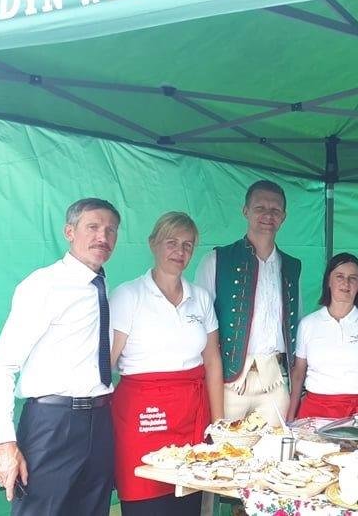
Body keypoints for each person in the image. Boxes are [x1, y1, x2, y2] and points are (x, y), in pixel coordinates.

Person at [0, 198, 120, 515]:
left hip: (100, 421)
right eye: (93, 227)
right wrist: (5, 444)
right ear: (69, 232)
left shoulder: (101, 286)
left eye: (111, 230)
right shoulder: (45, 285)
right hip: (53, 423)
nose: (103, 237)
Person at [110, 212, 224, 515]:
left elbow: (212, 362)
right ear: (153, 244)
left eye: (188, 245)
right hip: (142, 417)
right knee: (145, 499)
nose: (180, 251)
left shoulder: (200, 297)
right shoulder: (127, 295)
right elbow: (106, 364)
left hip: (191, 414)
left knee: (187, 499)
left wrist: (219, 424)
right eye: (171, 242)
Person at [195, 180, 301, 426]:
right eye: (260, 208)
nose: (268, 215)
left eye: (275, 210)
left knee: (276, 448)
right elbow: (199, 325)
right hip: (229, 382)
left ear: (283, 217)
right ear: (245, 211)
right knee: (225, 447)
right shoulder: (215, 260)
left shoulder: (292, 266)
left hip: (275, 380)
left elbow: (295, 323)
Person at [287, 253, 358, 420]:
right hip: (317, 413)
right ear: (328, 281)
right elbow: (298, 374)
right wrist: (290, 416)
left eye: (353, 278)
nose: (346, 283)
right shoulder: (308, 324)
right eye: (339, 276)